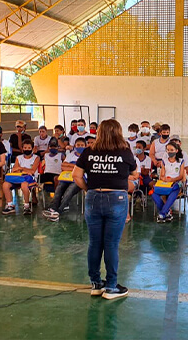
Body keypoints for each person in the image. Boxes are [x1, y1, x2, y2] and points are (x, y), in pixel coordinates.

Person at [72, 119, 137, 300]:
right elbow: (135, 173)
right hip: (116, 198)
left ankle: (95, 284)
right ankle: (111, 286)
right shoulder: (125, 152)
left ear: (99, 132)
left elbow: (76, 175)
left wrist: (89, 190)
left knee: (94, 243)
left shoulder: (89, 151)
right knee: (111, 244)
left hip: (93, 198)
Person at [43, 137, 88, 222]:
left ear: (85, 146)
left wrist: (70, 166)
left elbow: (85, 169)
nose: (80, 147)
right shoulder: (71, 155)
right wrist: (78, 167)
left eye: (82, 145)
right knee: (60, 187)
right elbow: (63, 166)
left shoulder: (87, 156)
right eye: (78, 145)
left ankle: (58, 211)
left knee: (70, 190)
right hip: (67, 177)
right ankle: (54, 207)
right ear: (75, 145)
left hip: (79, 179)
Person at [2, 139, 40, 216]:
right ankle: (10, 205)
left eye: (29, 148)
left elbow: (32, 171)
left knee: (24, 185)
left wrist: (21, 168)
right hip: (18, 178)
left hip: (31, 179)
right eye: (25, 148)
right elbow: (14, 170)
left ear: (32, 149)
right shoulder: (18, 157)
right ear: (22, 149)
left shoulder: (36, 158)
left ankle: (26, 206)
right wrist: (25, 170)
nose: (27, 149)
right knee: (5, 184)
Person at [152, 141, 185, 223]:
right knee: (154, 194)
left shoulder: (181, 161)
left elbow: (181, 176)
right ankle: (166, 212)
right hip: (165, 183)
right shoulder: (164, 161)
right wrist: (164, 178)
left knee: (174, 191)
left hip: (176, 183)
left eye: (172, 150)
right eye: (168, 150)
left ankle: (162, 213)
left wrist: (172, 180)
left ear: (176, 150)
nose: (170, 152)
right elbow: (162, 174)